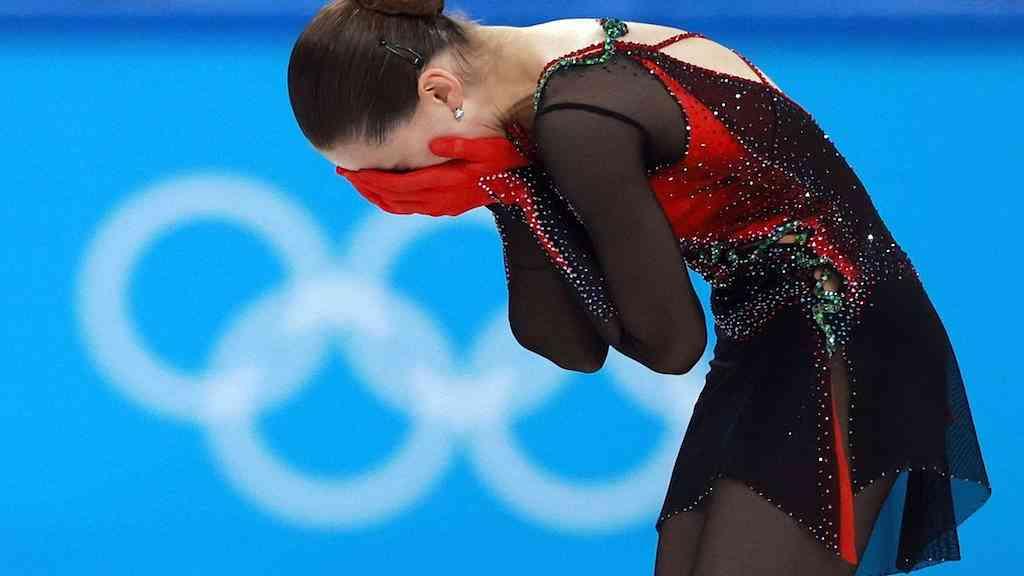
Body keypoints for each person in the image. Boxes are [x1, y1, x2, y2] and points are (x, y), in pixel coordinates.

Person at [287, 2, 993, 575]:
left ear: (441, 93)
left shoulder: (580, 116)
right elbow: (568, 346)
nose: (403, 191)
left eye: (396, 170)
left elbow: (671, 344)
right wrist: (507, 188)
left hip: (848, 338)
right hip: (767, 345)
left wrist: (519, 185)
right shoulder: (529, 85)